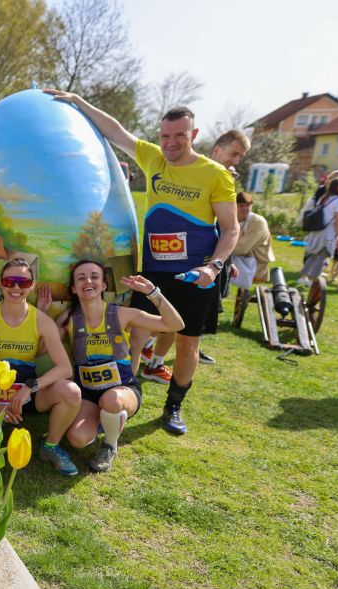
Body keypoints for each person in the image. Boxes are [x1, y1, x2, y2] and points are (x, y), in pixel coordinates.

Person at [44, 89, 238, 436]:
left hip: (196, 273)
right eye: (165, 135)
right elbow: (116, 131)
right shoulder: (154, 159)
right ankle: (122, 395)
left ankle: (174, 405)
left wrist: (215, 266)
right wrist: (77, 101)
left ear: (193, 135)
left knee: (186, 341)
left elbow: (231, 228)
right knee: (134, 334)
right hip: (153, 268)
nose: (171, 142)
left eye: (180, 135)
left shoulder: (215, 174)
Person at [61, 261, 184, 471]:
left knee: (112, 399)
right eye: (80, 278)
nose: (88, 281)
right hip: (88, 393)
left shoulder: (121, 314)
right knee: (77, 438)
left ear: (104, 285)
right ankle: (107, 419)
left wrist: (153, 293)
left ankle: (110, 445)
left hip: (123, 389)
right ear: (73, 288)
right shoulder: (69, 319)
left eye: (94, 276)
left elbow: (175, 324)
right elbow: (45, 346)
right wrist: (45, 311)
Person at [141, 129, 249, 368]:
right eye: (234, 153)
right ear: (217, 150)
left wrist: (222, 264)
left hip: (206, 263)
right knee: (160, 317)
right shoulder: (191, 169)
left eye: (240, 156)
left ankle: (156, 361)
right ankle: (150, 353)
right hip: (166, 263)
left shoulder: (222, 178)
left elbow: (228, 227)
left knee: (185, 326)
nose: (236, 160)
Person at [0, 259, 82, 476]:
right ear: (1, 284)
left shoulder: (41, 321)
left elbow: (65, 368)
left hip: (27, 396)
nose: (16, 287)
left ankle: (50, 446)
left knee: (71, 391)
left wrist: (29, 388)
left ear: (32, 285)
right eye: (9, 281)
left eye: (23, 282)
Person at [298, 177, 338, 285]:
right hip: (328, 232)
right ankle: (313, 279)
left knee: (313, 255)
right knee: (322, 256)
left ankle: (303, 277)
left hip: (317, 230)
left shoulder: (324, 198)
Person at [229, 192, 275, 290]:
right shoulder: (231, 218)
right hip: (239, 260)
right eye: (241, 206)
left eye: (248, 205)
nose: (246, 208)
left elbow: (242, 248)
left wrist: (222, 248)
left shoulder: (258, 222)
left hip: (256, 264)